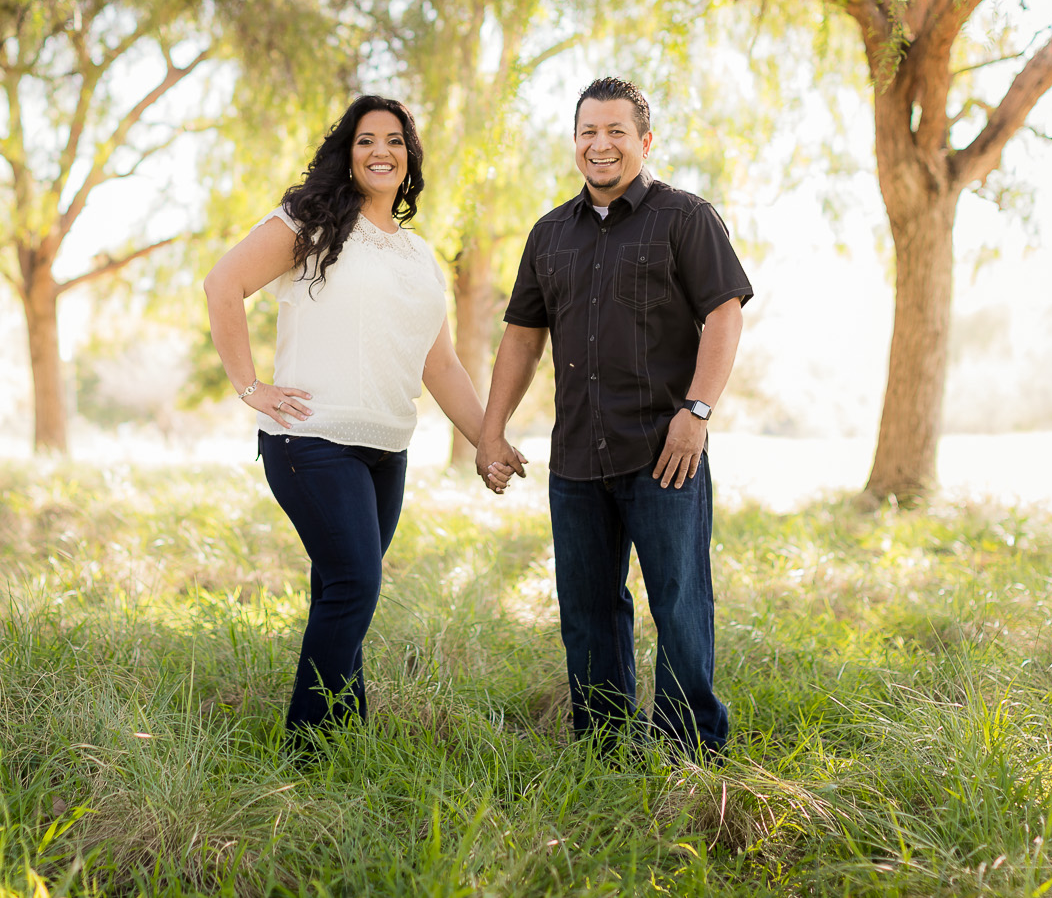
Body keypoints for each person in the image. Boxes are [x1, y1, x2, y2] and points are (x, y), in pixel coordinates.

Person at [474, 77, 751, 756]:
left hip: (666, 452)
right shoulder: (548, 235)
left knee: (680, 607)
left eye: (616, 131)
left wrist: (697, 410)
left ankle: (691, 751)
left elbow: (725, 312)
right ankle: (603, 749)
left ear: (644, 141)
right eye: (589, 132)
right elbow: (521, 336)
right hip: (575, 462)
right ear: (575, 142)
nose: (601, 144)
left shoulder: (686, 217)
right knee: (589, 614)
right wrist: (490, 427)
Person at [204, 95, 486, 739]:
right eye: (365, 140)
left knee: (338, 591)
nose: (380, 150)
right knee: (356, 585)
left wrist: (486, 441)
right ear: (347, 152)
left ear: (410, 157)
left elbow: (439, 365)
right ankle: (309, 748)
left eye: (393, 140)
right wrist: (250, 387)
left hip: (386, 447)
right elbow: (223, 284)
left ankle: (342, 738)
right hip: (311, 441)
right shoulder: (311, 220)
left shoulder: (418, 256)